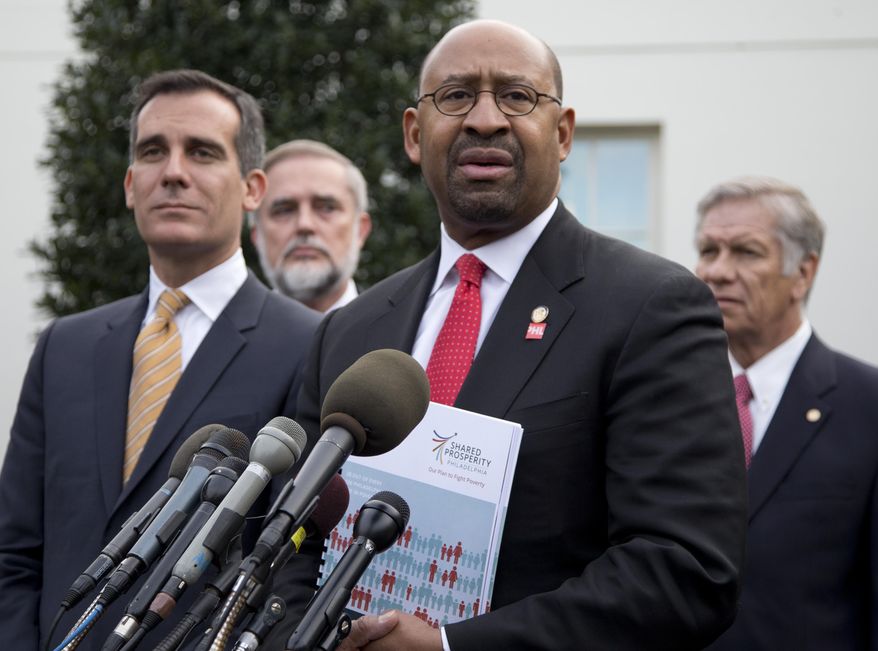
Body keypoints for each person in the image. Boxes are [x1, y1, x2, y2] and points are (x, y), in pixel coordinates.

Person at [288, 19, 747, 651]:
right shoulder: (349, 329)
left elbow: (683, 571)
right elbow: (292, 540)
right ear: (414, 135)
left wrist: (453, 647)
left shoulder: (652, 308)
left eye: (517, 96)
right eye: (455, 96)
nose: (484, 119)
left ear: (562, 135)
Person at [0, 69, 321, 647]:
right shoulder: (64, 347)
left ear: (252, 188)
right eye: (153, 152)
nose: (173, 172)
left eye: (201, 152)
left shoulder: (308, 343)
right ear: (129, 184)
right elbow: (16, 551)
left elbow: (291, 570)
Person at [694, 176, 878, 650]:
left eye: (746, 252)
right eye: (709, 250)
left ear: (804, 273)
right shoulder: (663, 399)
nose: (717, 271)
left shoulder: (867, 405)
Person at [251, 139, 372, 312]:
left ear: (360, 230)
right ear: (257, 235)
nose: (304, 224)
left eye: (327, 208)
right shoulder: (220, 337)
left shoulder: (404, 332)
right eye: (284, 210)